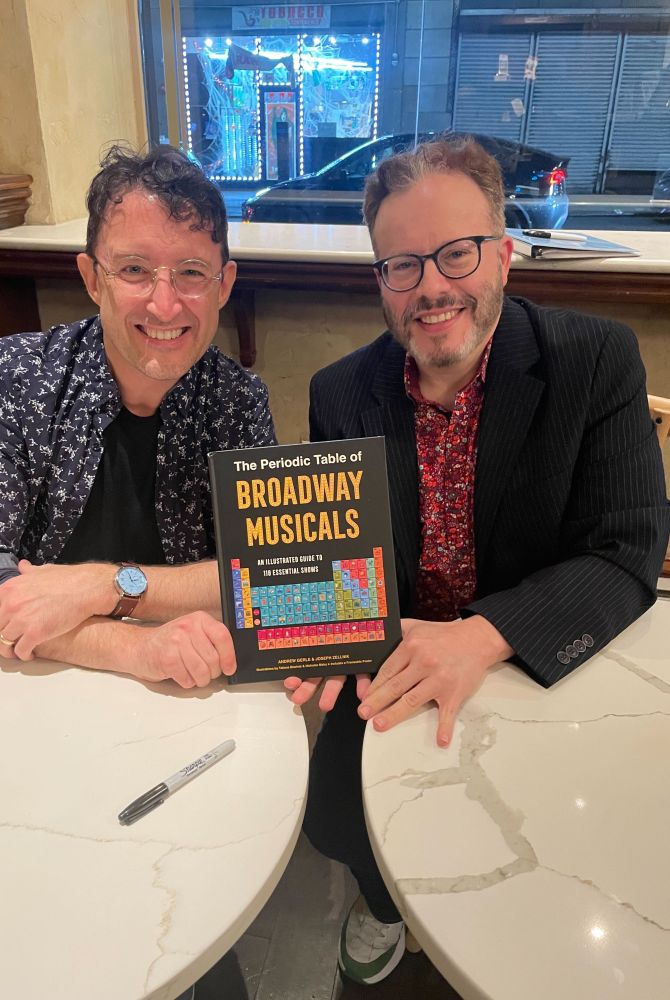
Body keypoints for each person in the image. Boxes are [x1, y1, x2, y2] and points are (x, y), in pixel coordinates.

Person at [285, 136, 670, 985]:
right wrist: (320, 631)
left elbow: (629, 547)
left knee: (561, 834)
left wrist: (484, 635)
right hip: (395, 665)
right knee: (334, 815)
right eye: (401, 265)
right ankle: (387, 903)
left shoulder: (593, 361)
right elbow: (341, 565)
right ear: (379, 279)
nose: (431, 287)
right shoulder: (339, 392)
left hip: (535, 661)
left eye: (456, 253)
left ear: (502, 254)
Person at [0, 144, 275, 686]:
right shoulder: (19, 375)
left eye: (191, 273)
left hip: (188, 700)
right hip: (33, 684)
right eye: (133, 269)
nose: (164, 304)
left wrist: (103, 587)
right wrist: (135, 648)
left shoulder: (238, 401)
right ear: (92, 278)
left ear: (223, 285)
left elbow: (263, 574)